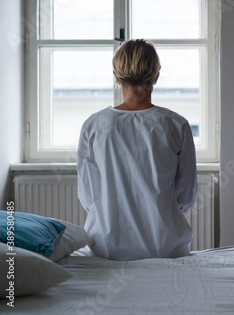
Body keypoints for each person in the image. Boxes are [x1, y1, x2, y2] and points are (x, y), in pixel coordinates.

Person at [77, 39, 197, 261]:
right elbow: (186, 195)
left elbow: (88, 196)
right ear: (157, 74)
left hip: (106, 248)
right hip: (164, 248)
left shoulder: (93, 126)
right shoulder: (176, 125)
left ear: (116, 75)